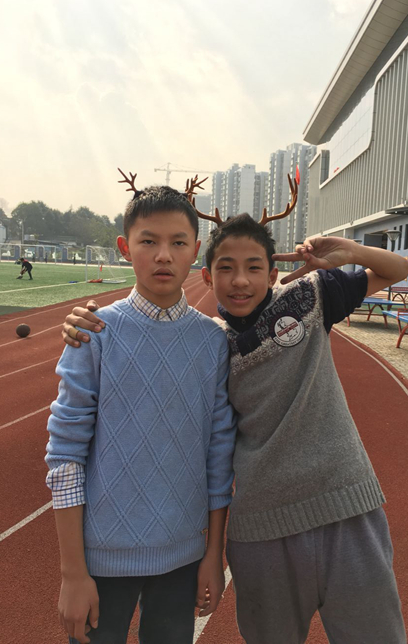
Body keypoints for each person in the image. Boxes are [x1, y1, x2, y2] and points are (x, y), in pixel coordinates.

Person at [62, 183, 408, 643]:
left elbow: (398, 269)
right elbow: (73, 449)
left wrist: (349, 251)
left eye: (253, 268)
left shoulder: (301, 301)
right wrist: (82, 320)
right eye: (226, 268)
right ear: (207, 276)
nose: (240, 281)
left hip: (339, 508)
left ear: (272, 273)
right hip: (253, 528)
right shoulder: (199, 340)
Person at [46, 180, 236, 644]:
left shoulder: (213, 342)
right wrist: (73, 573)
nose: (164, 255)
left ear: (196, 251)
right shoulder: (94, 333)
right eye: (148, 241)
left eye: (178, 243)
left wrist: (213, 554)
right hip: (101, 558)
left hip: (183, 557)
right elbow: (65, 455)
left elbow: (218, 455)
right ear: (124, 247)